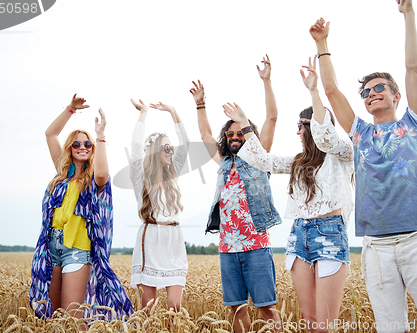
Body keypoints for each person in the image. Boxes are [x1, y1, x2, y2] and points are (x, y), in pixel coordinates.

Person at [309, 1, 417, 332]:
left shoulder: (413, 125)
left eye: (379, 88)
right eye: (365, 91)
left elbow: (414, 67)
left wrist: (409, 15)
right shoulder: (360, 134)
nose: (371, 93)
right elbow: (331, 91)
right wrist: (322, 44)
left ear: (396, 96)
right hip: (376, 247)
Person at [224, 55, 354, 333]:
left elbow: (326, 135)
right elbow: (263, 160)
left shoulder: (342, 154)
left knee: (324, 326)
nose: (297, 131)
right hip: (298, 235)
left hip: (329, 233)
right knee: (310, 325)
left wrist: (314, 90)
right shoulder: (297, 162)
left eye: (301, 125)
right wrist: (245, 124)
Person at [190, 55, 281, 332]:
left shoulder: (258, 157)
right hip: (228, 248)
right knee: (237, 308)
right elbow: (205, 134)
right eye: (230, 133)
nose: (235, 136)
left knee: (266, 308)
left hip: (255, 246)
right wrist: (200, 104)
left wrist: (266, 81)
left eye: (240, 132)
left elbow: (272, 118)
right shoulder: (224, 162)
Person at [29, 94, 133, 323]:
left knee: (72, 318)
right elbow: (50, 134)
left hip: (77, 248)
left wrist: (101, 134)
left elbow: (104, 174)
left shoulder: (93, 178)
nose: (82, 147)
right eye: (76, 143)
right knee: (53, 317)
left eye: (87, 144)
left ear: (93, 148)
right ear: (69, 148)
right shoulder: (61, 173)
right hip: (52, 248)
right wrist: (70, 109)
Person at [129, 99, 189, 312]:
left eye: (171, 147)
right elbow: (136, 148)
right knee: (148, 308)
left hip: (174, 239)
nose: (170, 150)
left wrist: (173, 111)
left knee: (174, 306)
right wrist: (143, 113)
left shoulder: (174, 174)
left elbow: (186, 144)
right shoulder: (140, 177)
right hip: (151, 238)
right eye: (166, 146)